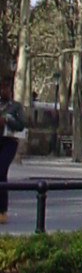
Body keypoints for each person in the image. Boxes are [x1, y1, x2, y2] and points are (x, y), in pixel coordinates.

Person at [0, 95, 25, 224]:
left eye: (6, 86)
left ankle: (2, 210)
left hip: (9, 141)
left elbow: (22, 125)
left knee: (1, 172)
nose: (3, 90)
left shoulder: (15, 106)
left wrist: (7, 120)